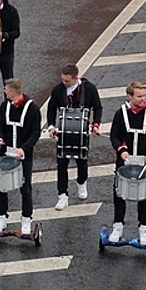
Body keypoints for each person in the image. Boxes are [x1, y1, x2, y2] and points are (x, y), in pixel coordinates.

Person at [108, 82, 146, 245]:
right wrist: (121, 149)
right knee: (119, 193)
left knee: (143, 195)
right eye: (139, 96)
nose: (142, 99)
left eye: (144, 96)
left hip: (143, 161)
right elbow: (114, 135)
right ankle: (117, 226)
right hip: (125, 159)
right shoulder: (120, 114)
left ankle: (143, 229)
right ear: (129, 96)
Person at [47, 63, 102, 210]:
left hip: (82, 132)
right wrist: (51, 126)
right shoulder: (58, 90)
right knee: (62, 164)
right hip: (64, 133)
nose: (64, 83)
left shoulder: (89, 89)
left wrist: (96, 125)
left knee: (82, 162)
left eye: (67, 81)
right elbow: (51, 109)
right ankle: (62, 195)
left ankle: (81, 184)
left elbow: (97, 107)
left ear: (76, 78)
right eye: (63, 80)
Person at [0, 78, 41, 235]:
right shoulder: (5, 105)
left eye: (6, 89)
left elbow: (35, 132)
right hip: (6, 154)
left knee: (25, 188)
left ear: (13, 91)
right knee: (1, 187)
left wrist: (24, 149)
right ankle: (2, 217)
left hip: (23, 155)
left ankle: (26, 220)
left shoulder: (32, 108)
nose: (4, 91)